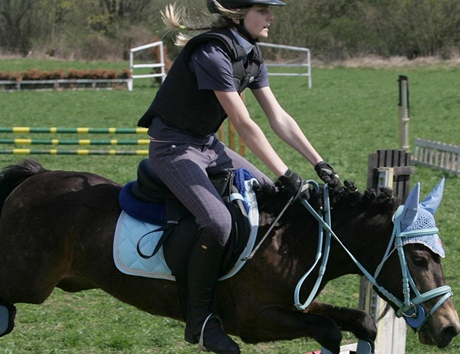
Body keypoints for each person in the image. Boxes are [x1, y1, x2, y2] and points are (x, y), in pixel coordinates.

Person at [138, 1, 340, 353]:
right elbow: (244, 125)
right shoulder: (213, 53)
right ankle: (200, 321)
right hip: (172, 148)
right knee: (217, 223)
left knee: (268, 196)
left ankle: (252, 291)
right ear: (237, 15)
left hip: (207, 145)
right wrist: (286, 173)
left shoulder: (250, 56)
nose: (270, 17)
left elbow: (278, 117)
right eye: (262, 10)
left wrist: (318, 162)